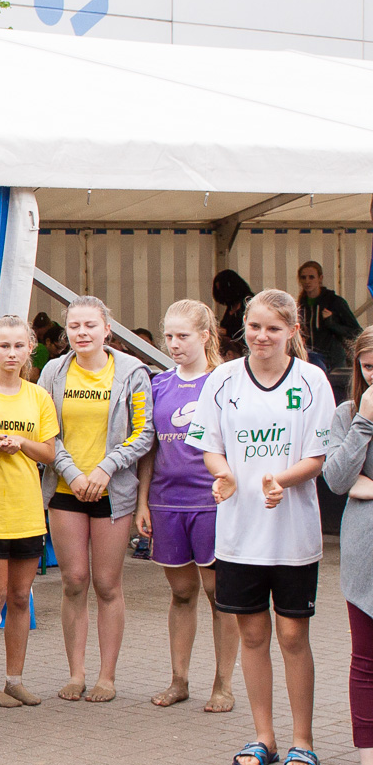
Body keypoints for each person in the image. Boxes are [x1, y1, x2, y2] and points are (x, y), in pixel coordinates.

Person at [189, 289, 333, 765]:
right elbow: (210, 446)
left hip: (293, 535)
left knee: (292, 635)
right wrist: (224, 474)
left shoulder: (312, 381)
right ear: (243, 327)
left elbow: (317, 457)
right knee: (252, 634)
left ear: (293, 331)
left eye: (273, 328)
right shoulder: (223, 379)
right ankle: (263, 736)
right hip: (238, 534)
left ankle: (302, 741)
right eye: (254, 326)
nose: (262, 336)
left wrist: (282, 481)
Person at [37, 295, 153, 704]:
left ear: (107, 328)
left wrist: (106, 468)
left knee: (107, 584)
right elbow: (44, 430)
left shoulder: (132, 371)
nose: (82, 333)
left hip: (112, 492)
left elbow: (144, 432)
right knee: (73, 581)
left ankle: (107, 676)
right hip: (65, 490)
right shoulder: (53, 371)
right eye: (74, 326)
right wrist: (71, 472)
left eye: (90, 325)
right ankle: (76, 673)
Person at [134, 300, 238, 712]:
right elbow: (149, 448)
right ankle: (179, 680)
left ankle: (223, 685)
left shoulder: (225, 382)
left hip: (211, 503)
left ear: (205, 336)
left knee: (219, 594)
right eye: (169, 336)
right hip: (166, 503)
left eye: (183, 336)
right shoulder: (158, 384)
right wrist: (143, 501)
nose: (174, 344)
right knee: (181, 593)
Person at [0, 316, 56, 708]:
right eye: (4, 346)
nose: (12, 353)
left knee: (21, 596)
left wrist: (21, 442)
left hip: (27, 511)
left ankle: (14, 679)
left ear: (30, 349)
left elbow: (49, 453)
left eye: (19, 346)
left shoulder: (39, 397)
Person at [323, 328, 373, 765]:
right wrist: (364, 424)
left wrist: (368, 484)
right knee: (366, 662)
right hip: (364, 554)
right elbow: (337, 480)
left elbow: (358, 482)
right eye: (369, 367)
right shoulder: (347, 413)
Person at [297, 260, 360, 384]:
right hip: (309, 358)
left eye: (311, 277)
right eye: (303, 277)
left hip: (332, 360)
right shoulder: (301, 304)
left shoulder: (334, 302)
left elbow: (356, 331)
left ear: (320, 278)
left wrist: (332, 324)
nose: (307, 281)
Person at [213, 269, 253, 359]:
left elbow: (250, 327)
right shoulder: (231, 306)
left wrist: (227, 331)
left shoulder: (248, 303)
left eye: (222, 290)